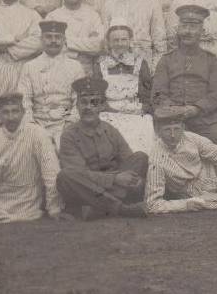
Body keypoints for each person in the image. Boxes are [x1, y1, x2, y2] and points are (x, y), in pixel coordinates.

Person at [56, 77, 149, 220]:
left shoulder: (109, 130)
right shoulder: (69, 135)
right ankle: (120, 208)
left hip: (97, 193)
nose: (88, 107)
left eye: (94, 103)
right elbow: (80, 174)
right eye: (84, 102)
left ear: (101, 106)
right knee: (66, 176)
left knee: (141, 157)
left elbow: (128, 162)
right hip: (86, 188)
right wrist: (115, 179)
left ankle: (97, 208)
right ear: (77, 106)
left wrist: (129, 179)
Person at [152, 4, 217, 150]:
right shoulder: (166, 60)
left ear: (202, 31)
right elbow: (157, 93)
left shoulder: (211, 60)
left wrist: (196, 108)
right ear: (178, 30)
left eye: (193, 27)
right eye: (184, 26)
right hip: (172, 118)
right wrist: (173, 109)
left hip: (205, 118)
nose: (188, 32)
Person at [0, 92, 63, 223]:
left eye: (15, 111)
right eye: (6, 112)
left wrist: (53, 208)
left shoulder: (38, 134)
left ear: (23, 112)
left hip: (27, 201)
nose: (11, 117)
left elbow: (51, 173)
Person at [144, 106, 217, 214]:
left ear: (183, 127)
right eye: (167, 130)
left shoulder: (191, 138)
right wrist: (184, 205)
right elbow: (152, 204)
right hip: (200, 195)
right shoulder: (157, 159)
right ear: (157, 131)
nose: (172, 135)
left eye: (177, 129)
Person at [18, 20, 85, 147]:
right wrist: (31, 126)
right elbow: (24, 101)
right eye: (48, 37)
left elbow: (79, 100)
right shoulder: (29, 66)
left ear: (64, 40)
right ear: (41, 39)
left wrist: (70, 124)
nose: (53, 41)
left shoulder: (75, 67)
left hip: (65, 124)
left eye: (57, 37)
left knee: (66, 152)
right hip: (38, 123)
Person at [94, 20, 156, 155]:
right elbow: (97, 94)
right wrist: (107, 108)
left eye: (124, 39)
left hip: (136, 111)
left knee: (144, 134)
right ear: (109, 42)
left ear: (130, 41)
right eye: (115, 40)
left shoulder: (140, 62)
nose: (120, 43)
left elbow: (147, 92)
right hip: (109, 112)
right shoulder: (101, 64)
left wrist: (143, 108)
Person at [45, 0, 105, 76]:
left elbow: (98, 46)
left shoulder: (92, 15)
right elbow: (48, 47)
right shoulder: (53, 16)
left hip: (86, 71)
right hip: (58, 70)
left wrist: (67, 42)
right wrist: (86, 44)